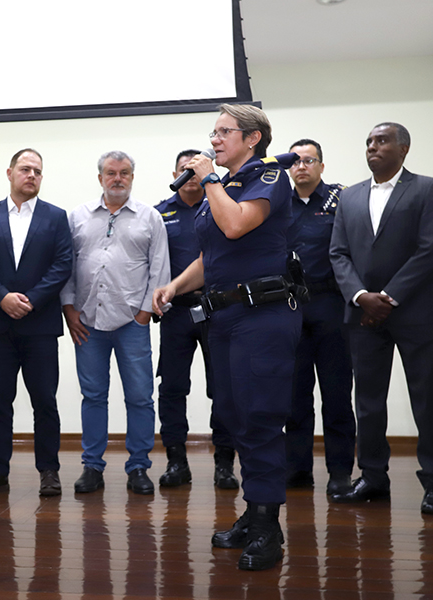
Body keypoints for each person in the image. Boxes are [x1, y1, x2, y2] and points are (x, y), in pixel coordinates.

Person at [153, 104, 301, 570]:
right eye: (213, 132)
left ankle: (268, 528)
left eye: (224, 132)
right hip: (222, 317)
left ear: (252, 138)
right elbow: (211, 255)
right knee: (235, 417)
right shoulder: (226, 186)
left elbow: (236, 224)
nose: (214, 140)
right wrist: (175, 286)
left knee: (260, 418)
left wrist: (210, 180)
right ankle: (253, 514)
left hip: (263, 316)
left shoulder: (269, 178)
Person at [329, 122, 433, 515]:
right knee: (367, 402)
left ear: (403, 148)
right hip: (363, 314)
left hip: (416, 312)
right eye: (368, 142)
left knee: (428, 399)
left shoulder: (428, 188)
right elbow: (338, 253)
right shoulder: (349, 196)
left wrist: (389, 298)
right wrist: (362, 297)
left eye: (382, 141)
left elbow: (432, 249)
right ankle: (373, 477)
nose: (372, 147)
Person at [61, 150, 170, 496]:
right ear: (100, 178)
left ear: (132, 178)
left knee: (140, 397)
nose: (117, 178)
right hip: (87, 322)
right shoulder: (77, 216)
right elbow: (66, 265)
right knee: (93, 396)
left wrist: (144, 313)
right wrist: (69, 309)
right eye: (111, 173)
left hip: (132, 323)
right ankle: (92, 467)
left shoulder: (150, 217)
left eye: (124, 173)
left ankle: (138, 466)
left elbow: (160, 268)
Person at [0, 148, 72, 497]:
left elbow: (62, 265)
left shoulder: (56, 216)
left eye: (38, 171)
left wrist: (31, 300)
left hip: (40, 324)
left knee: (45, 401)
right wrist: (2, 298)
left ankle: (49, 471)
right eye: (26, 169)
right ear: (10, 173)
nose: (32, 176)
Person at [154, 150, 238, 490]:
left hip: (218, 309)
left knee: (224, 388)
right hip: (176, 313)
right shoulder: (159, 213)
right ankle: (176, 462)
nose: (190, 176)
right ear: (174, 174)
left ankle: (224, 464)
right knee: (172, 388)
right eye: (183, 170)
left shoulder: (221, 204)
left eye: (195, 169)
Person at [285, 139, 355, 496]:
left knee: (337, 394)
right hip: (290, 308)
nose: (302, 166)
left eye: (309, 160)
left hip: (331, 306)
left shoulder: (341, 201)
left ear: (321, 167)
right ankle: (297, 470)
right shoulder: (276, 204)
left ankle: (340, 472)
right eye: (296, 161)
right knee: (294, 396)